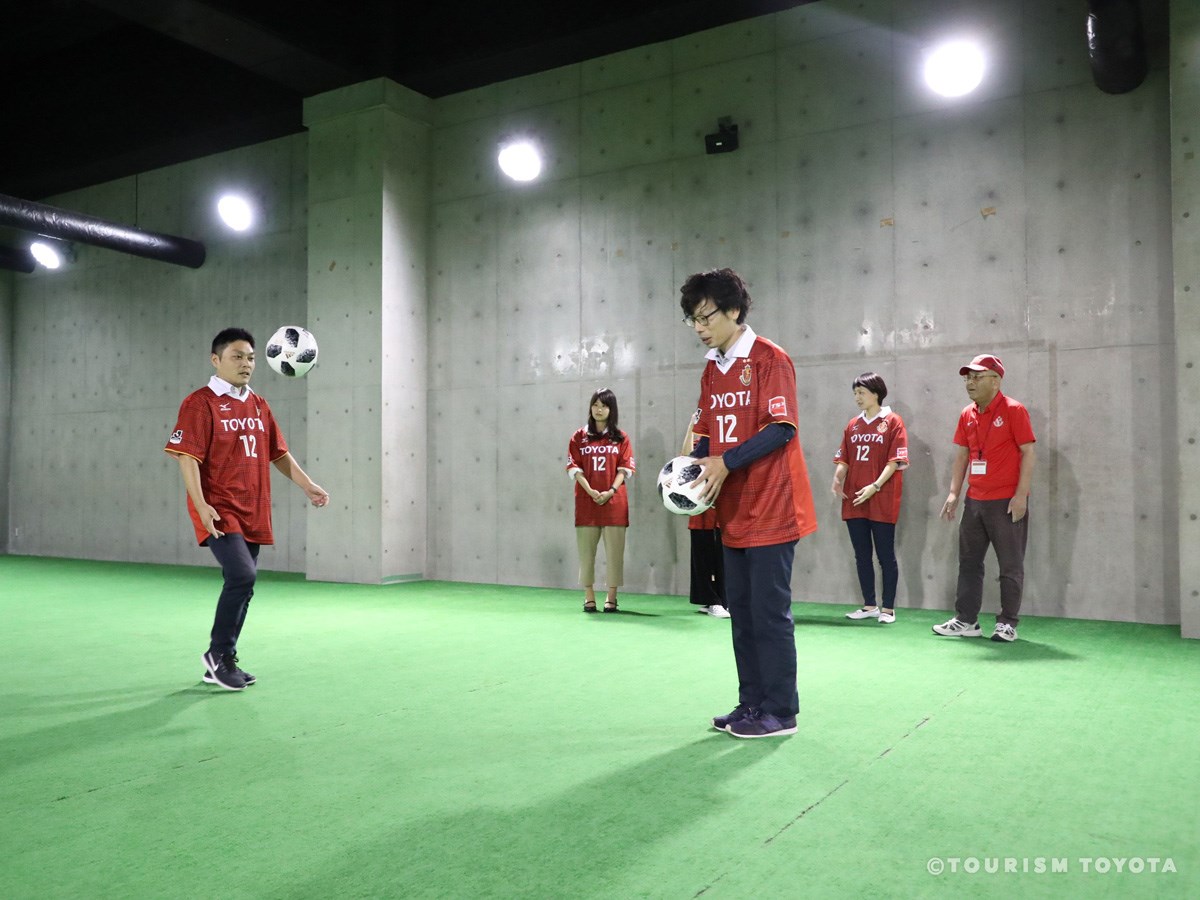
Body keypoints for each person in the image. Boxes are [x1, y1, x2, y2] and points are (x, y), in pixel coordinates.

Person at [682, 268, 818, 738]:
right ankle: (751, 703)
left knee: (768, 612)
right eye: (692, 320)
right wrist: (694, 470)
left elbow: (782, 429)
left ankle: (782, 711)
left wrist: (726, 462)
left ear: (734, 311)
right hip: (732, 510)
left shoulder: (769, 359)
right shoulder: (711, 368)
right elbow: (704, 435)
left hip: (775, 507)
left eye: (706, 316)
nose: (700, 327)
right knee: (740, 611)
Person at [165, 328, 329, 690]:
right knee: (242, 576)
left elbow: (278, 452)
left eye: (251, 357)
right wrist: (201, 504)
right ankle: (217, 655)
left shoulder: (258, 404)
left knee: (243, 585)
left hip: (254, 506)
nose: (246, 364)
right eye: (237, 356)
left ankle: (222, 660)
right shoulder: (200, 402)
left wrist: (307, 484)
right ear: (216, 360)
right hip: (220, 507)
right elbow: (186, 458)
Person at [936, 354, 1036, 642]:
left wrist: (1021, 496)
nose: (970, 382)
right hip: (974, 501)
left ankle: (1007, 623)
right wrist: (955, 492)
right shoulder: (967, 414)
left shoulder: (1014, 410)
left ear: (996, 380)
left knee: (1010, 564)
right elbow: (963, 454)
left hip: (1006, 502)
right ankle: (966, 620)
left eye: (977, 377)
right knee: (969, 563)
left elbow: (1029, 453)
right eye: (968, 377)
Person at [832, 373, 909, 624]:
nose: (857, 398)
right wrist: (837, 476)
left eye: (861, 393)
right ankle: (869, 605)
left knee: (885, 554)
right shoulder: (852, 424)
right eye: (855, 393)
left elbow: (895, 461)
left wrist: (875, 486)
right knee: (861, 554)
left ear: (876, 393)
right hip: (855, 498)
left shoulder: (893, 421)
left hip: (882, 497)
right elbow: (845, 457)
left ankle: (888, 609)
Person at [566, 388, 636, 613]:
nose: (599, 409)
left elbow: (624, 470)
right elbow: (574, 468)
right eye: (595, 404)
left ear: (611, 409)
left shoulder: (621, 437)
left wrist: (610, 491)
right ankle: (589, 596)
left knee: (615, 554)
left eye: (604, 405)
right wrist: (590, 491)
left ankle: (612, 597)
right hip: (587, 504)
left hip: (615, 503)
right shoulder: (579, 437)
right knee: (586, 553)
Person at [682, 418, 728, 618]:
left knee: (722, 556)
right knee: (702, 554)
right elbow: (684, 458)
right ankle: (711, 601)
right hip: (700, 504)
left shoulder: (724, 433)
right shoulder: (698, 438)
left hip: (721, 501)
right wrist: (691, 426)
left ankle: (723, 600)